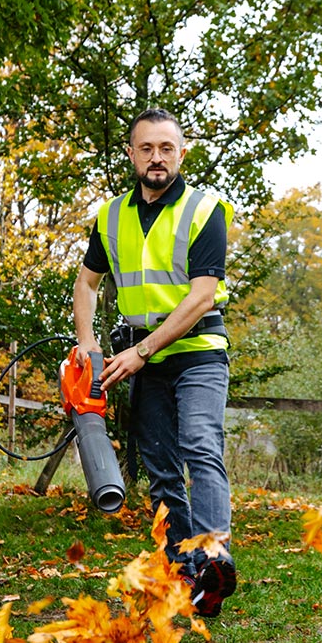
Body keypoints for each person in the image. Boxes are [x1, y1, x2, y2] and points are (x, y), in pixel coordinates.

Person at [72, 109, 238, 617]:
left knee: (200, 445)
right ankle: (186, 570)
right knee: (161, 470)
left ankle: (213, 555)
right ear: (131, 154)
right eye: (146, 148)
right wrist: (88, 347)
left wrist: (142, 352)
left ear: (181, 153)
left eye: (166, 148)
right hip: (139, 356)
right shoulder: (111, 216)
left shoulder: (205, 210)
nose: (157, 157)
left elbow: (202, 296)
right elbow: (86, 283)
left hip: (197, 353)